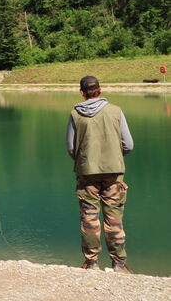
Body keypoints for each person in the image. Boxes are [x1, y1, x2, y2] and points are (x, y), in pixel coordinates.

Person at [66, 75, 134, 273]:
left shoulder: (75, 114)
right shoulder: (116, 111)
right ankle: (119, 264)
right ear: (100, 90)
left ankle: (92, 262)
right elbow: (128, 144)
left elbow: (71, 148)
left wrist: (85, 161)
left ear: (81, 92)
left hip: (87, 173)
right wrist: (115, 156)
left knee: (89, 218)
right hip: (114, 173)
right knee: (114, 218)